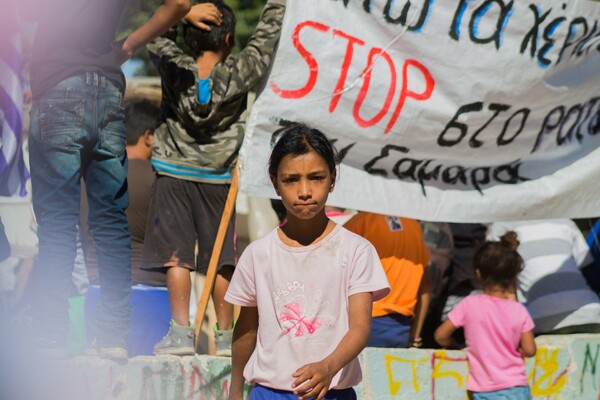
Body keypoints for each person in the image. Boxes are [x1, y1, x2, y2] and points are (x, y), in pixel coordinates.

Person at [20, 0, 191, 360]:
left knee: (58, 221)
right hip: (108, 91)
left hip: (57, 88)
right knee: (111, 220)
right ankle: (112, 336)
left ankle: (51, 334)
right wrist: (127, 46)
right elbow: (179, 4)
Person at [143, 0, 286, 356]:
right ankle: (225, 336)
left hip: (172, 172)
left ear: (190, 38)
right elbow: (267, 37)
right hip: (220, 177)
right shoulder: (242, 69)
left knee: (176, 256)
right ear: (227, 41)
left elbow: (153, 34)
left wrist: (181, 13)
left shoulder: (174, 66)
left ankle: (179, 334)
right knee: (220, 257)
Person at [225, 123, 390, 400]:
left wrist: (329, 366)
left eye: (316, 177)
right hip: (269, 393)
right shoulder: (258, 254)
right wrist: (234, 389)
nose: (304, 191)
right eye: (291, 180)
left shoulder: (356, 250)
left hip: (333, 393)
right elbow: (246, 329)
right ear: (275, 182)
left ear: (333, 179)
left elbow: (360, 327)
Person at [82, 99, 172, 356]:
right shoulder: (162, 180)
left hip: (99, 293)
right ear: (149, 137)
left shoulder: (89, 177)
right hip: (152, 295)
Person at [435, 231, 536, 400]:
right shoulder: (518, 309)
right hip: (516, 387)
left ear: (478, 273)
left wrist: (454, 345)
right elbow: (530, 349)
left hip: (483, 390)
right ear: (512, 275)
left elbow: (440, 335)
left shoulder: (469, 304)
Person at [487, 219, 600, 335]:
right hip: (591, 312)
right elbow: (587, 269)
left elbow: (495, 281)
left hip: (541, 319)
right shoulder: (565, 222)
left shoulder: (500, 227)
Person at [344, 212, 430, 349]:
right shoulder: (414, 225)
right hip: (401, 328)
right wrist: (415, 336)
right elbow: (425, 288)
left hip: (362, 320)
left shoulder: (359, 223)